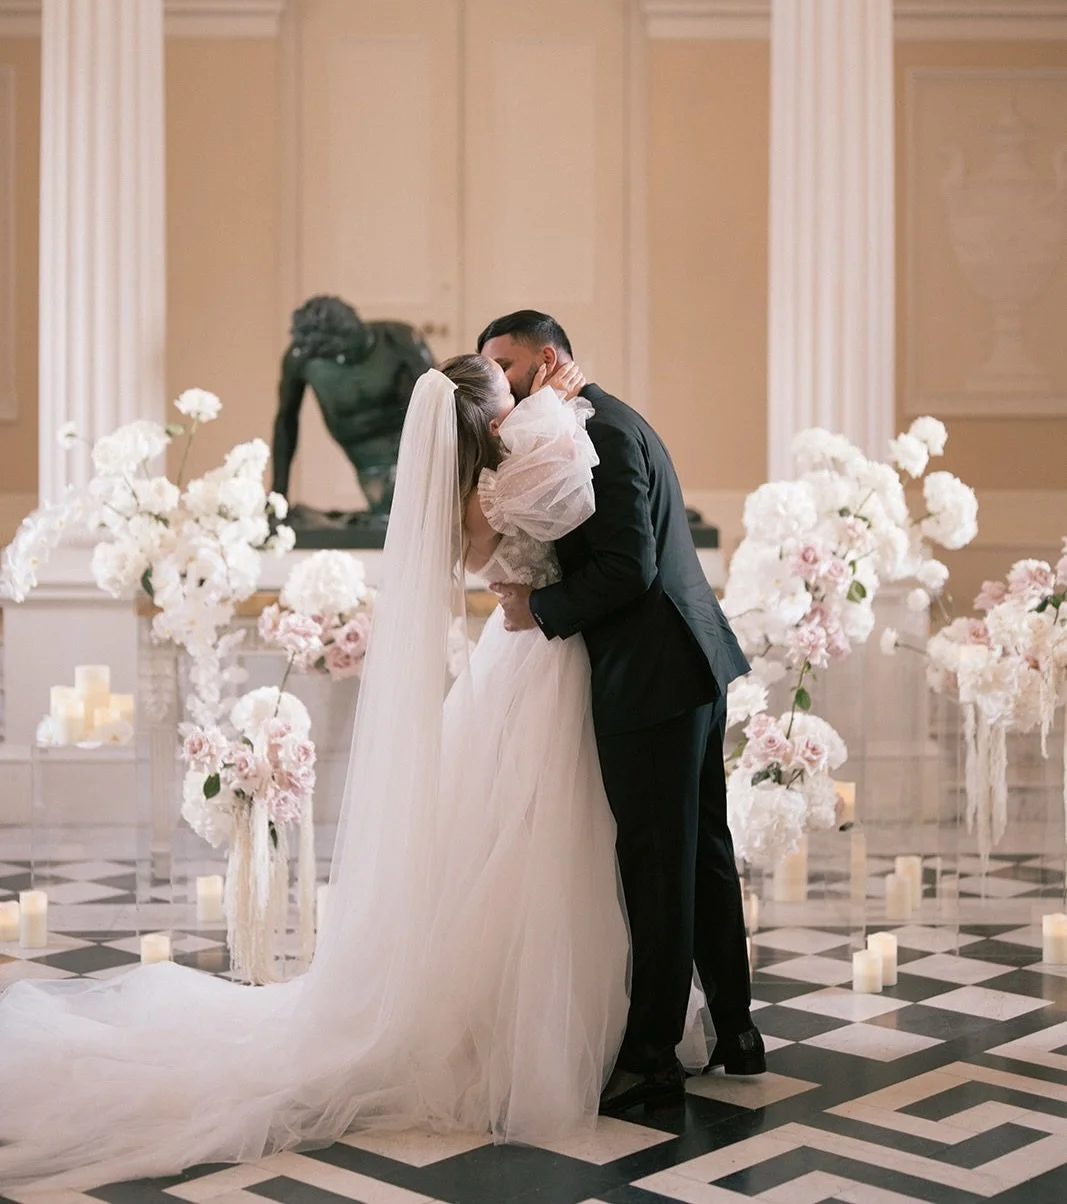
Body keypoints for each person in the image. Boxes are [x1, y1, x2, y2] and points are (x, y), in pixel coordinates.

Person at [0, 357, 629, 1190]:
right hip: (538, 667)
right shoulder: (506, 489)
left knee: (502, 843)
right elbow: (565, 493)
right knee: (529, 843)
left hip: (518, 659)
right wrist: (557, 401)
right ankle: (523, 1032)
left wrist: (537, 406)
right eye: (507, 399)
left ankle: (522, 1019)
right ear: (486, 419)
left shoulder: (471, 496)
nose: (521, 407)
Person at [478, 310, 764, 1114]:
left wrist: (541, 607)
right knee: (700, 855)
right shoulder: (595, 417)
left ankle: (652, 1058)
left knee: (658, 865)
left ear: (547, 359)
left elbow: (628, 567)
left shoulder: (592, 428)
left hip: (656, 673)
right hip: (689, 661)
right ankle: (736, 1035)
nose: (496, 385)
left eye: (504, 367)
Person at [270, 294, 433, 513]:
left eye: (342, 353)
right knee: (387, 513)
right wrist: (278, 496)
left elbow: (442, 403)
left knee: (410, 514)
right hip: (367, 461)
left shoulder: (399, 340)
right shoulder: (302, 358)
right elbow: (286, 422)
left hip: (412, 449)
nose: (339, 360)